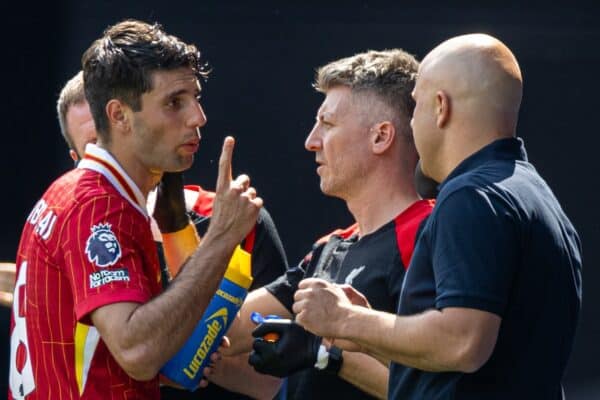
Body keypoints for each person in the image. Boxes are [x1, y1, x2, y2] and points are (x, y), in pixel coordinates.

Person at [292, 33, 582, 399]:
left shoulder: (470, 196)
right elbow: (475, 362)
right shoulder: (535, 193)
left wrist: (346, 319)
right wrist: (365, 333)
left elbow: (463, 342)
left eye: (414, 106)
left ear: (440, 107)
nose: (410, 125)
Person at [8, 19, 264, 399]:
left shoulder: (72, 191)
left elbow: (101, 347)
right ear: (119, 115)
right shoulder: (97, 207)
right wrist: (223, 235)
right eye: (174, 102)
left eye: (196, 98)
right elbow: (137, 351)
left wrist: (166, 360)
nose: (198, 117)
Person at [55, 69, 288, 400]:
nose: (114, 150)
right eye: (97, 145)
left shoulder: (236, 218)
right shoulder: (69, 229)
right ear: (79, 161)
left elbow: (269, 382)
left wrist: (172, 353)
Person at [217, 49, 434, 400]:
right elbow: (226, 329)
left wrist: (324, 354)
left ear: (381, 137)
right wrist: (215, 239)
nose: (311, 141)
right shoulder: (330, 246)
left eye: (328, 124)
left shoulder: (429, 233)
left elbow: (438, 386)